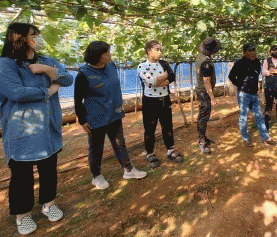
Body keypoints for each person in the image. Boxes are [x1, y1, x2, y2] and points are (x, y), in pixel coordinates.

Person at [0, 23, 73, 235]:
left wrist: (48, 70)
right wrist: (48, 91)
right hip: (21, 129)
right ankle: (22, 214)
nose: (38, 38)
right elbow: (17, 93)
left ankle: (48, 203)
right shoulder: (4, 65)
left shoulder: (46, 61)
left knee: (49, 168)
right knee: (21, 174)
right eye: (34, 35)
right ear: (19, 39)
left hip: (48, 125)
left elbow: (67, 79)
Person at [74, 41, 147, 190]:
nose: (110, 55)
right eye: (106, 53)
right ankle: (96, 176)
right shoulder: (84, 74)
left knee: (120, 143)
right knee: (96, 148)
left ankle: (128, 170)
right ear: (97, 56)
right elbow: (77, 99)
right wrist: (82, 120)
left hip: (114, 113)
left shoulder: (111, 66)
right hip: (96, 117)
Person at [137, 40, 184, 168]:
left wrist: (158, 81)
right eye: (157, 49)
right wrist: (164, 76)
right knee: (150, 128)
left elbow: (172, 77)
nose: (159, 52)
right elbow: (151, 82)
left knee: (167, 126)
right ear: (149, 51)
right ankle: (150, 153)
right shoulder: (142, 66)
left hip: (164, 99)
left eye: (160, 50)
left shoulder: (163, 63)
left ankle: (170, 150)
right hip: (150, 102)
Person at [228, 42, 277, 147]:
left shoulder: (257, 62)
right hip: (244, 94)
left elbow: (256, 74)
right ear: (244, 52)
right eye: (250, 51)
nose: (253, 52)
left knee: (259, 115)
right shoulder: (239, 63)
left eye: (254, 50)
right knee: (244, 117)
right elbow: (231, 76)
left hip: (254, 94)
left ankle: (266, 138)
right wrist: (240, 85)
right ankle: (245, 137)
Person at [195, 37, 221, 154]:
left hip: (201, 91)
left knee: (203, 116)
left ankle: (203, 138)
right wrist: (212, 98)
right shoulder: (206, 62)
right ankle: (201, 141)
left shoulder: (200, 56)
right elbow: (206, 81)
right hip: (204, 93)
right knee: (203, 117)